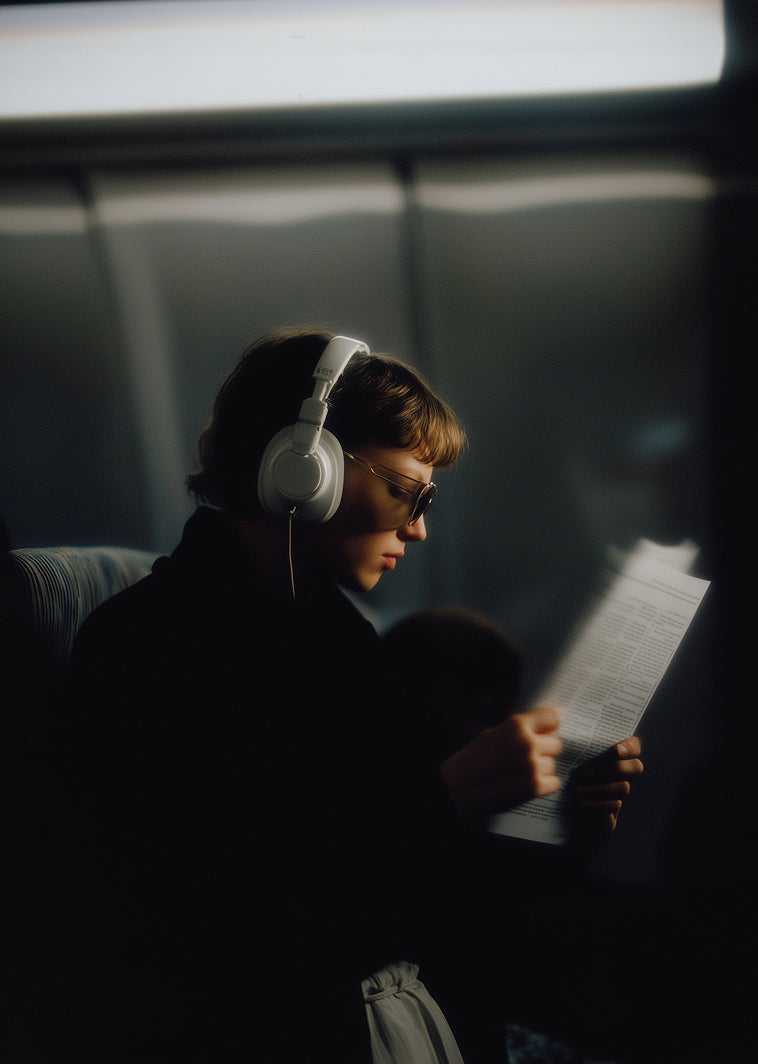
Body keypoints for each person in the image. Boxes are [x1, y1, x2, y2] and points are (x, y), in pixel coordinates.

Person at [58, 326, 643, 1063]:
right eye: (406, 492)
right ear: (304, 469)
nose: (421, 528)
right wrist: (447, 797)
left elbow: (429, 897)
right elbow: (215, 919)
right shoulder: (145, 646)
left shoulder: (341, 643)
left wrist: (555, 823)